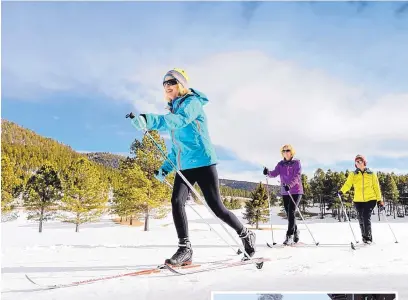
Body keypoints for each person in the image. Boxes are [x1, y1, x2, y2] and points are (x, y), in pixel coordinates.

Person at [127, 68, 256, 266]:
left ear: (181, 84)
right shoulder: (173, 111)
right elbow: (176, 149)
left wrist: (149, 120)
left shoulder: (192, 103)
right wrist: (164, 169)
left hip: (203, 161)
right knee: (176, 201)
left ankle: (245, 233)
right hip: (184, 165)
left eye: (171, 82)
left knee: (217, 207)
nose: (167, 86)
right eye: (164, 84)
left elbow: (180, 121)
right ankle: (185, 248)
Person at [263, 144, 304, 245]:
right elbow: (274, 173)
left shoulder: (296, 163)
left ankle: (289, 235)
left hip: (296, 191)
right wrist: (267, 172)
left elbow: (297, 176)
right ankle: (296, 231)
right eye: (284, 151)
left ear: (291, 152)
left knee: (291, 211)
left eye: (288, 150)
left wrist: (290, 185)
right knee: (289, 213)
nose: (286, 152)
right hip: (285, 191)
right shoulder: (280, 164)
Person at [338, 154, 383, 244]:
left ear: (364, 162)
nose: (358, 163)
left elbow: (376, 187)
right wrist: (341, 191)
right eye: (356, 161)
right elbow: (348, 184)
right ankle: (364, 237)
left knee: (366, 217)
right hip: (358, 200)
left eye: (360, 161)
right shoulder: (353, 174)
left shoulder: (371, 174)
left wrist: (379, 200)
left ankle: (369, 238)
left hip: (370, 199)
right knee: (361, 219)